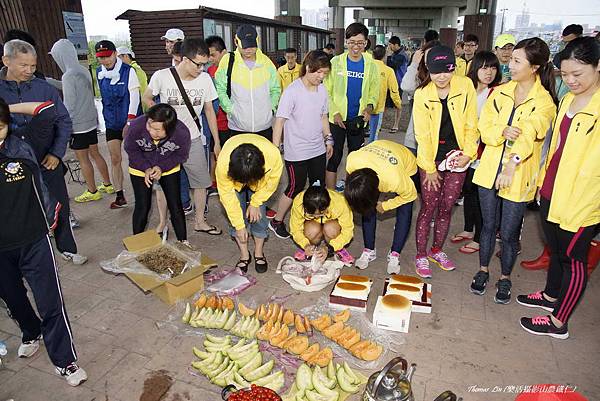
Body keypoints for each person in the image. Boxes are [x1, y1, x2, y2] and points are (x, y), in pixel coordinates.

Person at [0, 98, 87, 386]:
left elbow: (46, 110)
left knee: (51, 302)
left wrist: (6, 108)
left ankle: (65, 361)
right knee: (13, 299)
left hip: (35, 240)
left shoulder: (21, 146)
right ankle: (30, 331)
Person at [517, 37, 600, 339]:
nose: (571, 81)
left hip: (581, 201)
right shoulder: (566, 100)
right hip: (552, 189)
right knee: (555, 250)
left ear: (598, 66)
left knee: (573, 260)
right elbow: (556, 146)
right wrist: (542, 182)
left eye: (578, 74)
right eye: (565, 75)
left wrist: (586, 203)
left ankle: (558, 322)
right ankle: (551, 295)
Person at [470, 37, 557, 304]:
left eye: (518, 60)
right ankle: (483, 270)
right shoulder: (500, 92)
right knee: (487, 227)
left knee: (508, 235)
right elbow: (484, 128)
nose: (510, 63)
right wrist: (501, 132)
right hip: (488, 173)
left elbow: (530, 133)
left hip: (516, 177)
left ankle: (505, 277)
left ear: (535, 67)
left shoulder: (545, 102)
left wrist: (512, 162)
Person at [1, 39, 87, 265]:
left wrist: (56, 153)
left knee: (60, 203)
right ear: (6, 61)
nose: (29, 71)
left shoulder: (44, 89)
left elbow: (64, 122)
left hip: (46, 159)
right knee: (17, 209)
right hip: (11, 162)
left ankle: (67, 247)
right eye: (23, 65)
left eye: (32, 65)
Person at [143, 38, 222, 235]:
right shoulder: (162, 76)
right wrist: (157, 113)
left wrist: (216, 142)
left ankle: (200, 221)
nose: (202, 69)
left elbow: (210, 111)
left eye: (205, 64)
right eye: (198, 64)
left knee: (201, 183)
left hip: (193, 139)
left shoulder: (205, 80)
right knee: (162, 184)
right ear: (185, 60)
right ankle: (162, 223)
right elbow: (146, 97)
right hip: (166, 141)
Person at [413, 45, 479, 278]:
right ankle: (421, 254)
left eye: (447, 70)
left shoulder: (466, 85)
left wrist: (469, 154)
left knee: (447, 206)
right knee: (428, 207)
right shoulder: (422, 94)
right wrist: (429, 169)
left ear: (454, 68)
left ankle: (436, 250)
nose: (442, 76)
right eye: (436, 71)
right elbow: (421, 135)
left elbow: (472, 124)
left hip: (458, 156)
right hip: (431, 158)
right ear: (428, 69)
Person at [269, 50, 333, 242]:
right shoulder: (292, 91)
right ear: (308, 68)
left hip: (317, 149)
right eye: (318, 72)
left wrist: (328, 138)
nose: (321, 77)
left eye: (324, 73)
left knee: (317, 186)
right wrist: (275, 148)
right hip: (296, 151)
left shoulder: (322, 90)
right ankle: (277, 221)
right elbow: (279, 121)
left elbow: (323, 116)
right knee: (295, 187)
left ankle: (313, 220)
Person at [49, 39, 112, 204]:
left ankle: (92, 191)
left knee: (83, 159)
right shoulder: (82, 70)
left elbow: (69, 105)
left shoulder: (68, 75)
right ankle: (108, 184)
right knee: (96, 153)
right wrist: (48, 81)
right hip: (91, 121)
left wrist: (63, 125)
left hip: (78, 125)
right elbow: (72, 87)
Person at [451, 51, 502, 255]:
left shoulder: (497, 92)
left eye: (492, 68)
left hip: (485, 152)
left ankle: (480, 238)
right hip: (467, 150)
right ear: (475, 69)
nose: (488, 72)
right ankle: (468, 229)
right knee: (469, 192)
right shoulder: (467, 88)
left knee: (482, 197)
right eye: (484, 67)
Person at [344, 140, 418, 273]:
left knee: (405, 211)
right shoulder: (352, 161)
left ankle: (395, 252)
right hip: (376, 153)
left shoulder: (394, 179)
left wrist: (386, 205)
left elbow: (411, 195)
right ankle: (369, 250)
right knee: (365, 204)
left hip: (405, 161)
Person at [124, 104, 191, 246]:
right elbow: (131, 149)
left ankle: (183, 242)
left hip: (168, 167)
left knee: (175, 205)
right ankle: (137, 244)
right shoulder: (136, 126)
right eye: (150, 126)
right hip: (139, 167)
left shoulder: (181, 132)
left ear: (169, 129)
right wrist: (146, 168)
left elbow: (181, 155)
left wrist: (162, 167)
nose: (151, 132)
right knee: (143, 205)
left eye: (157, 130)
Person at [216, 134, 283, 273]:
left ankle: (259, 253)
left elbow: (271, 184)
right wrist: (240, 226)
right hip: (234, 179)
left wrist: (256, 202)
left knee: (259, 215)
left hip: (260, 182)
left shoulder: (273, 156)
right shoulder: (223, 164)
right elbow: (227, 197)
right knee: (235, 216)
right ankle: (244, 255)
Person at [324, 22, 379, 189]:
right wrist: (334, 113)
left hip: (358, 120)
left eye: (360, 43)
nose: (356, 47)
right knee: (333, 158)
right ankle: (331, 196)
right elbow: (326, 91)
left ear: (366, 43)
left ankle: (349, 193)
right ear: (346, 41)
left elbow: (374, 92)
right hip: (337, 120)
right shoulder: (335, 62)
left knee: (355, 160)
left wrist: (369, 108)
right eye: (352, 42)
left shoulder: (371, 65)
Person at [95, 40, 141, 209]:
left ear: (115, 54)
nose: (105, 60)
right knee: (115, 158)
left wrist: (129, 121)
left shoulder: (129, 71)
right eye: (101, 57)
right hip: (111, 122)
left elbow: (134, 97)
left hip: (130, 121)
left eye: (107, 56)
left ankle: (144, 190)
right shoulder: (99, 72)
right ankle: (120, 195)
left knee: (136, 158)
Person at [215, 24, 280, 140]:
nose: (249, 50)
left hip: (265, 127)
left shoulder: (267, 62)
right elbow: (220, 89)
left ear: (257, 41)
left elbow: (275, 89)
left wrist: (271, 109)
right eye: (244, 47)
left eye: (252, 46)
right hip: (238, 129)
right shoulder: (228, 61)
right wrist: (231, 110)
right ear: (236, 42)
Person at [400, 39, 441, 168]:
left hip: (439, 142)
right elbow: (406, 86)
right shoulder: (419, 77)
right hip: (414, 140)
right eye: (427, 57)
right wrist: (413, 64)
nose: (430, 61)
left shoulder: (447, 80)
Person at [290, 185, 354, 264]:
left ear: (328, 205)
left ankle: (339, 248)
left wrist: (330, 248)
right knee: (311, 230)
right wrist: (305, 244)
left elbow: (348, 231)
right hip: (312, 225)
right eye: (312, 214)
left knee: (331, 229)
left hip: (332, 224)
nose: (316, 217)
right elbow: (295, 229)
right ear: (304, 207)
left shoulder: (340, 202)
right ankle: (310, 247)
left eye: (321, 214)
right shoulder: (298, 202)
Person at [206, 35, 230, 195]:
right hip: (216, 122)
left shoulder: (234, 68)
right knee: (216, 154)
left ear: (224, 52)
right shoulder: (209, 71)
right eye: (209, 56)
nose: (211, 59)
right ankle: (214, 184)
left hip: (233, 123)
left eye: (213, 55)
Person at [369, 45, 401, 143]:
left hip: (362, 105)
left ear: (372, 55)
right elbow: (394, 90)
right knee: (373, 136)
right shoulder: (388, 71)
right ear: (384, 56)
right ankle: (370, 155)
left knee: (358, 133)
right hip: (377, 107)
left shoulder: (366, 67)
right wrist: (398, 103)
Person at [387, 36, 408, 134]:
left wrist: (387, 55)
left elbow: (392, 64)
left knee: (398, 105)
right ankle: (378, 124)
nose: (389, 47)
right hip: (390, 82)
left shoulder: (402, 55)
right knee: (385, 103)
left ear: (396, 45)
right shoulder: (395, 54)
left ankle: (396, 125)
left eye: (390, 45)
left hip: (398, 83)